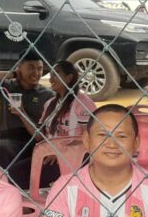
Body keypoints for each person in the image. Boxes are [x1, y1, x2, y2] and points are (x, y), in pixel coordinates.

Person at [7, 60, 97, 188]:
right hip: (50, 156)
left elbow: (92, 137)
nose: (50, 79)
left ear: (68, 78)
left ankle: (45, 197)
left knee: (20, 177)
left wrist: (62, 150)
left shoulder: (82, 102)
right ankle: (35, 199)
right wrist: (21, 113)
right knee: (12, 173)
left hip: (75, 158)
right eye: (51, 75)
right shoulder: (50, 104)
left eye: (56, 74)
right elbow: (39, 136)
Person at [0, 49, 54, 190]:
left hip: (33, 140)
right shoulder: (7, 87)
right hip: (8, 138)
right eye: (30, 67)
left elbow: (43, 134)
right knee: (2, 148)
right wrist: (12, 74)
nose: (36, 73)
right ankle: (4, 190)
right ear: (19, 68)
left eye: (40, 68)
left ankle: (16, 189)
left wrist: (22, 113)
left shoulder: (47, 95)